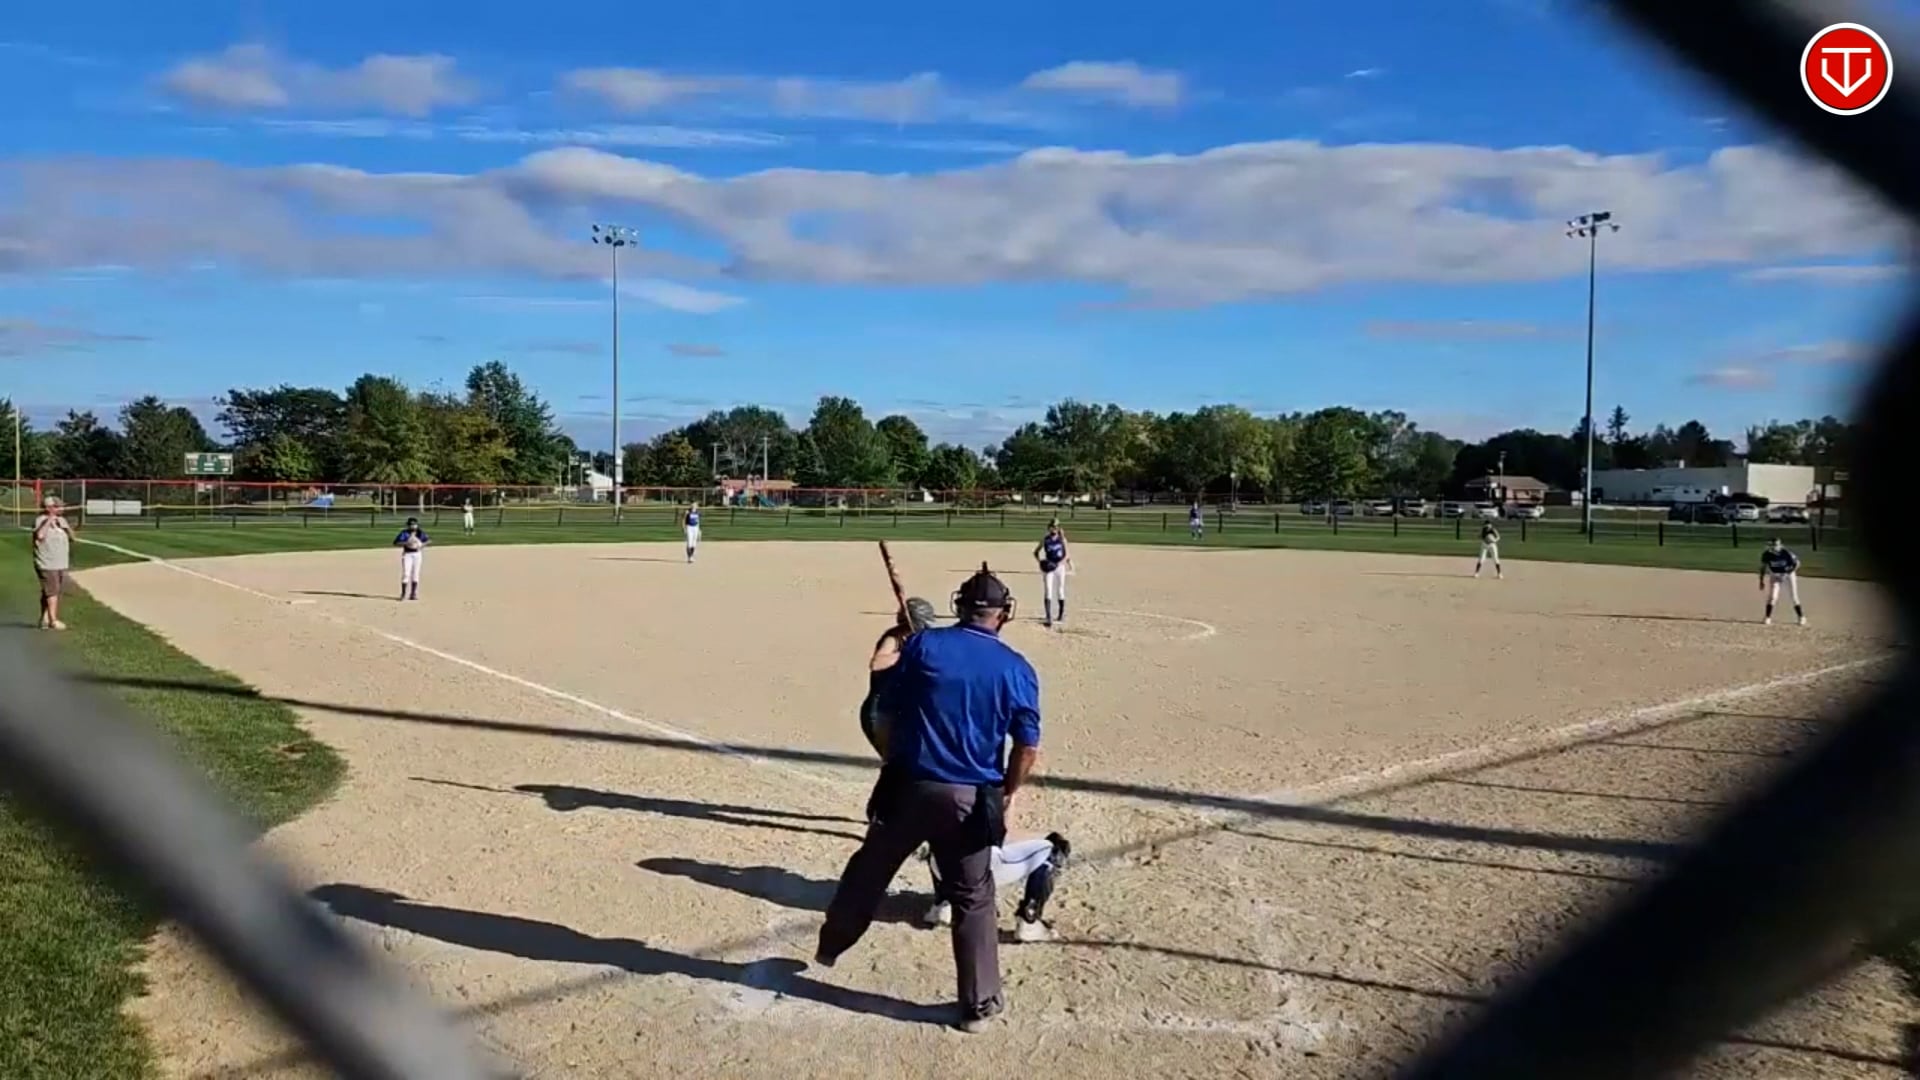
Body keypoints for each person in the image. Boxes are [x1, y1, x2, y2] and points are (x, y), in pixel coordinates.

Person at [817, 563, 1041, 1034]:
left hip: (908, 787)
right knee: (973, 898)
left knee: (869, 869)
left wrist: (901, 639)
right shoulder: (1017, 668)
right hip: (970, 798)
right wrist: (1008, 790)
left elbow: (886, 699)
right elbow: (1027, 747)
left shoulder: (924, 645)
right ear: (1003, 614)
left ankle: (831, 944)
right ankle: (977, 1007)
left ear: (960, 607)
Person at [922, 831, 1071, 944]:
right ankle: (1029, 922)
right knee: (1054, 848)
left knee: (940, 840)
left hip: (941, 866)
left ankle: (943, 904)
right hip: (977, 867)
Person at [32, 495, 75, 631]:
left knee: (50, 591)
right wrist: (50, 519)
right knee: (52, 591)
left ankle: (44, 619)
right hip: (47, 562)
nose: (62, 508)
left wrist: (66, 528)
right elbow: (40, 536)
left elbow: (73, 538)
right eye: (58, 506)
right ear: (49, 508)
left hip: (60, 562)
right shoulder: (40, 520)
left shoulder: (62, 520)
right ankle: (53, 620)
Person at [1759, 537, 1807, 626]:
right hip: (1775, 576)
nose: (1773, 547)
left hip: (1788, 576)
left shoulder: (1786, 553)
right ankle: (1767, 617)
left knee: (1793, 596)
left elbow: (1797, 564)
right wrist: (1761, 580)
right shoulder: (1766, 555)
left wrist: (1788, 572)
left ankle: (1801, 617)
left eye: (1775, 545)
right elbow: (1763, 568)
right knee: (1772, 597)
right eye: (1772, 545)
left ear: (1780, 545)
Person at [1033, 522, 1071, 628]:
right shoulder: (1045, 539)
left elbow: (1067, 555)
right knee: (1048, 590)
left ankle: (1060, 615)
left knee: (1060, 589)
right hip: (1049, 567)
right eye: (1052, 527)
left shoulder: (1062, 539)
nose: (1054, 529)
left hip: (1059, 567)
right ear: (1049, 528)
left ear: (1058, 528)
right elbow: (1036, 552)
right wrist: (1040, 562)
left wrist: (1059, 563)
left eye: (1056, 527)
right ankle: (1048, 616)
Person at [393, 517, 430, 601]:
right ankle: (403, 594)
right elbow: (396, 543)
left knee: (415, 574)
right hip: (407, 554)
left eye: (414, 524)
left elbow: (428, 540)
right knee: (406, 573)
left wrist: (422, 545)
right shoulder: (404, 533)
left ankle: (413, 594)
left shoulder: (420, 533)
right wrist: (406, 543)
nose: (413, 526)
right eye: (411, 524)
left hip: (417, 554)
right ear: (408, 525)